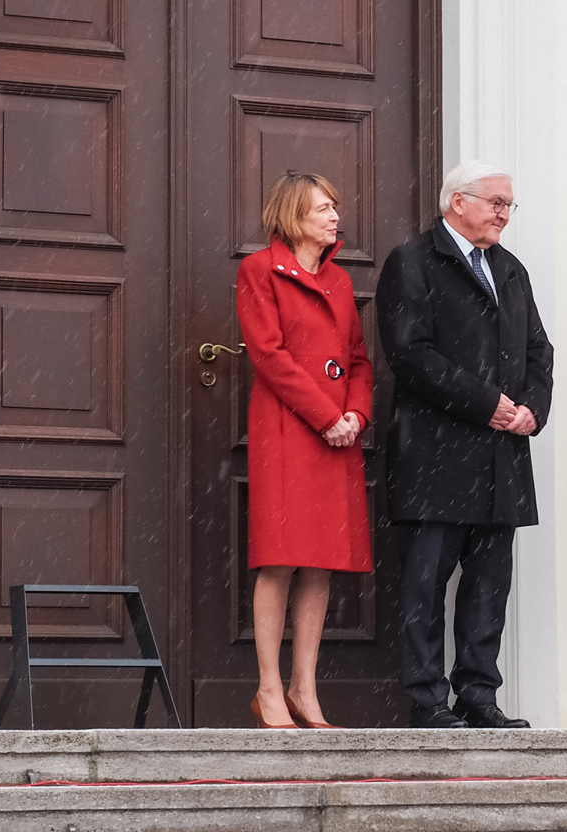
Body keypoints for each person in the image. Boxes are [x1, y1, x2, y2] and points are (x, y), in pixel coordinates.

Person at [377, 160, 553, 730]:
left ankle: (478, 695)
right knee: (425, 586)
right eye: (495, 202)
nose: (504, 213)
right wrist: (488, 404)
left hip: (500, 459)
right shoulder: (413, 262)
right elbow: (411, 355)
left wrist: (532, 408)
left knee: (488, 588)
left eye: (509, 205)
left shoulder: (511, 270)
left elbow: (538, 353)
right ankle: (427, 700)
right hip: (435, 458)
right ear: (458, 202)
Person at [237, 172, 374, 730]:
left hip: (337, 435)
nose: (334, 216)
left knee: (321, 563)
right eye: (322, 208)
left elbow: (359, 359)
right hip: (289, 432)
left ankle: (303, 689)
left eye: (334, 206)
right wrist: (325, 416)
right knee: (280, 557)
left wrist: (356, 416)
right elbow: (268, 356)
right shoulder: (259, 271)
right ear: (293, 216)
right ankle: (268, 688)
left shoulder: (340, 282)